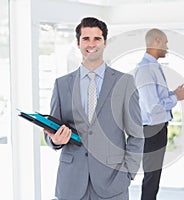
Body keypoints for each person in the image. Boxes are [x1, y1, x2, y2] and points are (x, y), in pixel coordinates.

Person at [44, 17, 144, 200]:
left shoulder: (125, 83)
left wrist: (128, 174)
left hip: (113, 182)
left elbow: (137, 134)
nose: (91, 44)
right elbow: (51, 129)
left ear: (105, 42)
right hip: (71, 183)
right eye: (86, 39)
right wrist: (55, 140)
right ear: (78, 43)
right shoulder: (62, 84)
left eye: (97, 39)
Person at [134, 28, 184, 200]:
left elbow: (156, 98)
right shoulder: (145, 69)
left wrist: (172, 94)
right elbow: (152, 106)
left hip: (158, 128)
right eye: (166, 42)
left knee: (154, 176)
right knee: (151, 177)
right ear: (157, 41)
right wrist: (175, 97)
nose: (167, 47)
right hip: (152, 129)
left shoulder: (153, 67)